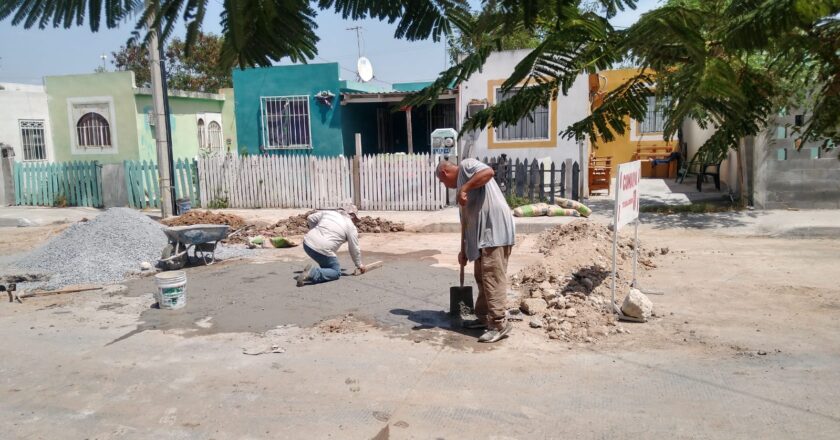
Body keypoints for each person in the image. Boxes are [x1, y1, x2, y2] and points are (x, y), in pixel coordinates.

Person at [436, 159, 515, 343]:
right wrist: (463, 248)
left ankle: (498, 324)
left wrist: (465, 187)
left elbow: (488, 173)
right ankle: (484, 318)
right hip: (481, 237)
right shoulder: (461, 192)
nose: (444, 185)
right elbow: (467, 221)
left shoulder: (466, 165)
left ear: (445, 173)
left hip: (494, 231)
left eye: (442, 181)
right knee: (482, 277)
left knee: (492, 277)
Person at [296, 205, 365, 287]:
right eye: (355, 220)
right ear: (352, 215)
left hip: (307, 243)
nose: (355, 222)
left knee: (326, 264)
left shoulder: (329, 213)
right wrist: (359, 265)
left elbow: (310, 218)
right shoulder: (350, 227)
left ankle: (322, 270)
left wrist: (316, 232)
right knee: (336, 272)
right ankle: (312, 273)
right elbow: (354, 248)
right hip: (321, 249)